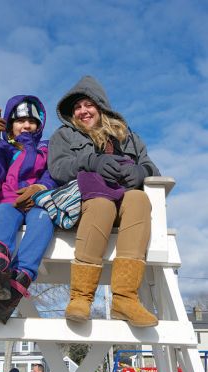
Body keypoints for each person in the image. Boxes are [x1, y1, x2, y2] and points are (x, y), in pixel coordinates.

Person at [48, 75, 161, 326]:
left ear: (100, 106)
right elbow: (57, 168)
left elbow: (151, 166)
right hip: (85, 204)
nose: (82, 111)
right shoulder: (64, 135)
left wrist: (141, 172)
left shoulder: (127, 136)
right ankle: (81, 297)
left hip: (124, 204)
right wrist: (91, 162)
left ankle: (125, 298)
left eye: (88, 105)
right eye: (77, 107)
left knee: (139, 200)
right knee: (101, 204)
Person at [0, 95, 57, 324]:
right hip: (10, 199)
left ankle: (19, 282)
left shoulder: (46, 149)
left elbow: (53, 174)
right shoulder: (5, 148)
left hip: (37, 201)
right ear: (10, 124)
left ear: (39, 125)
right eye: (20, 121)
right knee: (3, 214)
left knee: (43, 220)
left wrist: (41, 187)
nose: (26, 125)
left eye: (32, 121)